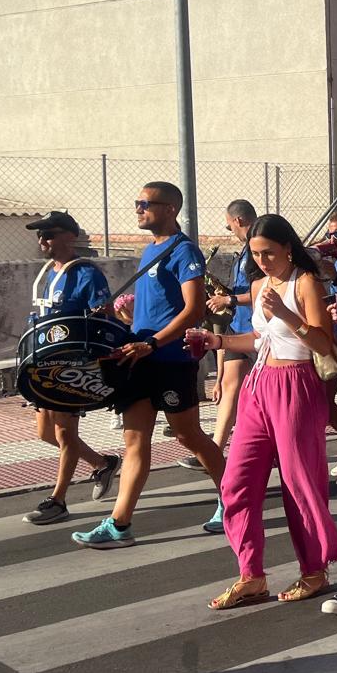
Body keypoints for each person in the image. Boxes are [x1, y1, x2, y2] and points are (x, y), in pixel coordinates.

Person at [197, 216, 337, 609]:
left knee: (299, 482)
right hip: (259, 385)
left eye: (269, 253)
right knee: (236, 482)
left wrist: (285, 312)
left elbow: (321, 340)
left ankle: (314, 570)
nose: (262, 261)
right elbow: (260, 338)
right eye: (256, 254)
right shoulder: (258, 285)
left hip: (297, 385)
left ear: (287, 249)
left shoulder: (305, 283)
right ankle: (251, 575)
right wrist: (218, 340)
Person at [74, 182, 226, 547]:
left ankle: (233, 500)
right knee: (134, 441)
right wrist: (129, 323)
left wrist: (154, 341)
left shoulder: (184, 250)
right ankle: (119, 523)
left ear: (170, 208)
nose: (138, 209)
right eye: (136, 203)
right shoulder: (150, 251)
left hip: (171, 360)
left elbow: (193, 310)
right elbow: (156, 308)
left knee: (189, 435)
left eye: (146, 204)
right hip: (139, 357)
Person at [21, 211, 119, 524]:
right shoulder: (50, 272)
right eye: (40, 235)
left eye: (49, 234)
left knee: (64, 433)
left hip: (72, 363)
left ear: (70, 237)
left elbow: (102, 317)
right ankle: (102, 463)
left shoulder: (86, 273)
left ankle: (58, 500)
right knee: (45, 433)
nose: (42, 241)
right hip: (45, 360)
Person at [202, 199, 257, 463]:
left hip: (257, 331)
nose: (231, 232)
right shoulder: (243, 253)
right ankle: (215, 449)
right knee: (228, 384)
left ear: (238, 221)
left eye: (229, 226)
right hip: (238, 327)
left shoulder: (259, 251)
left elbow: (263, 291)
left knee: (261, 394)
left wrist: (230, 300)